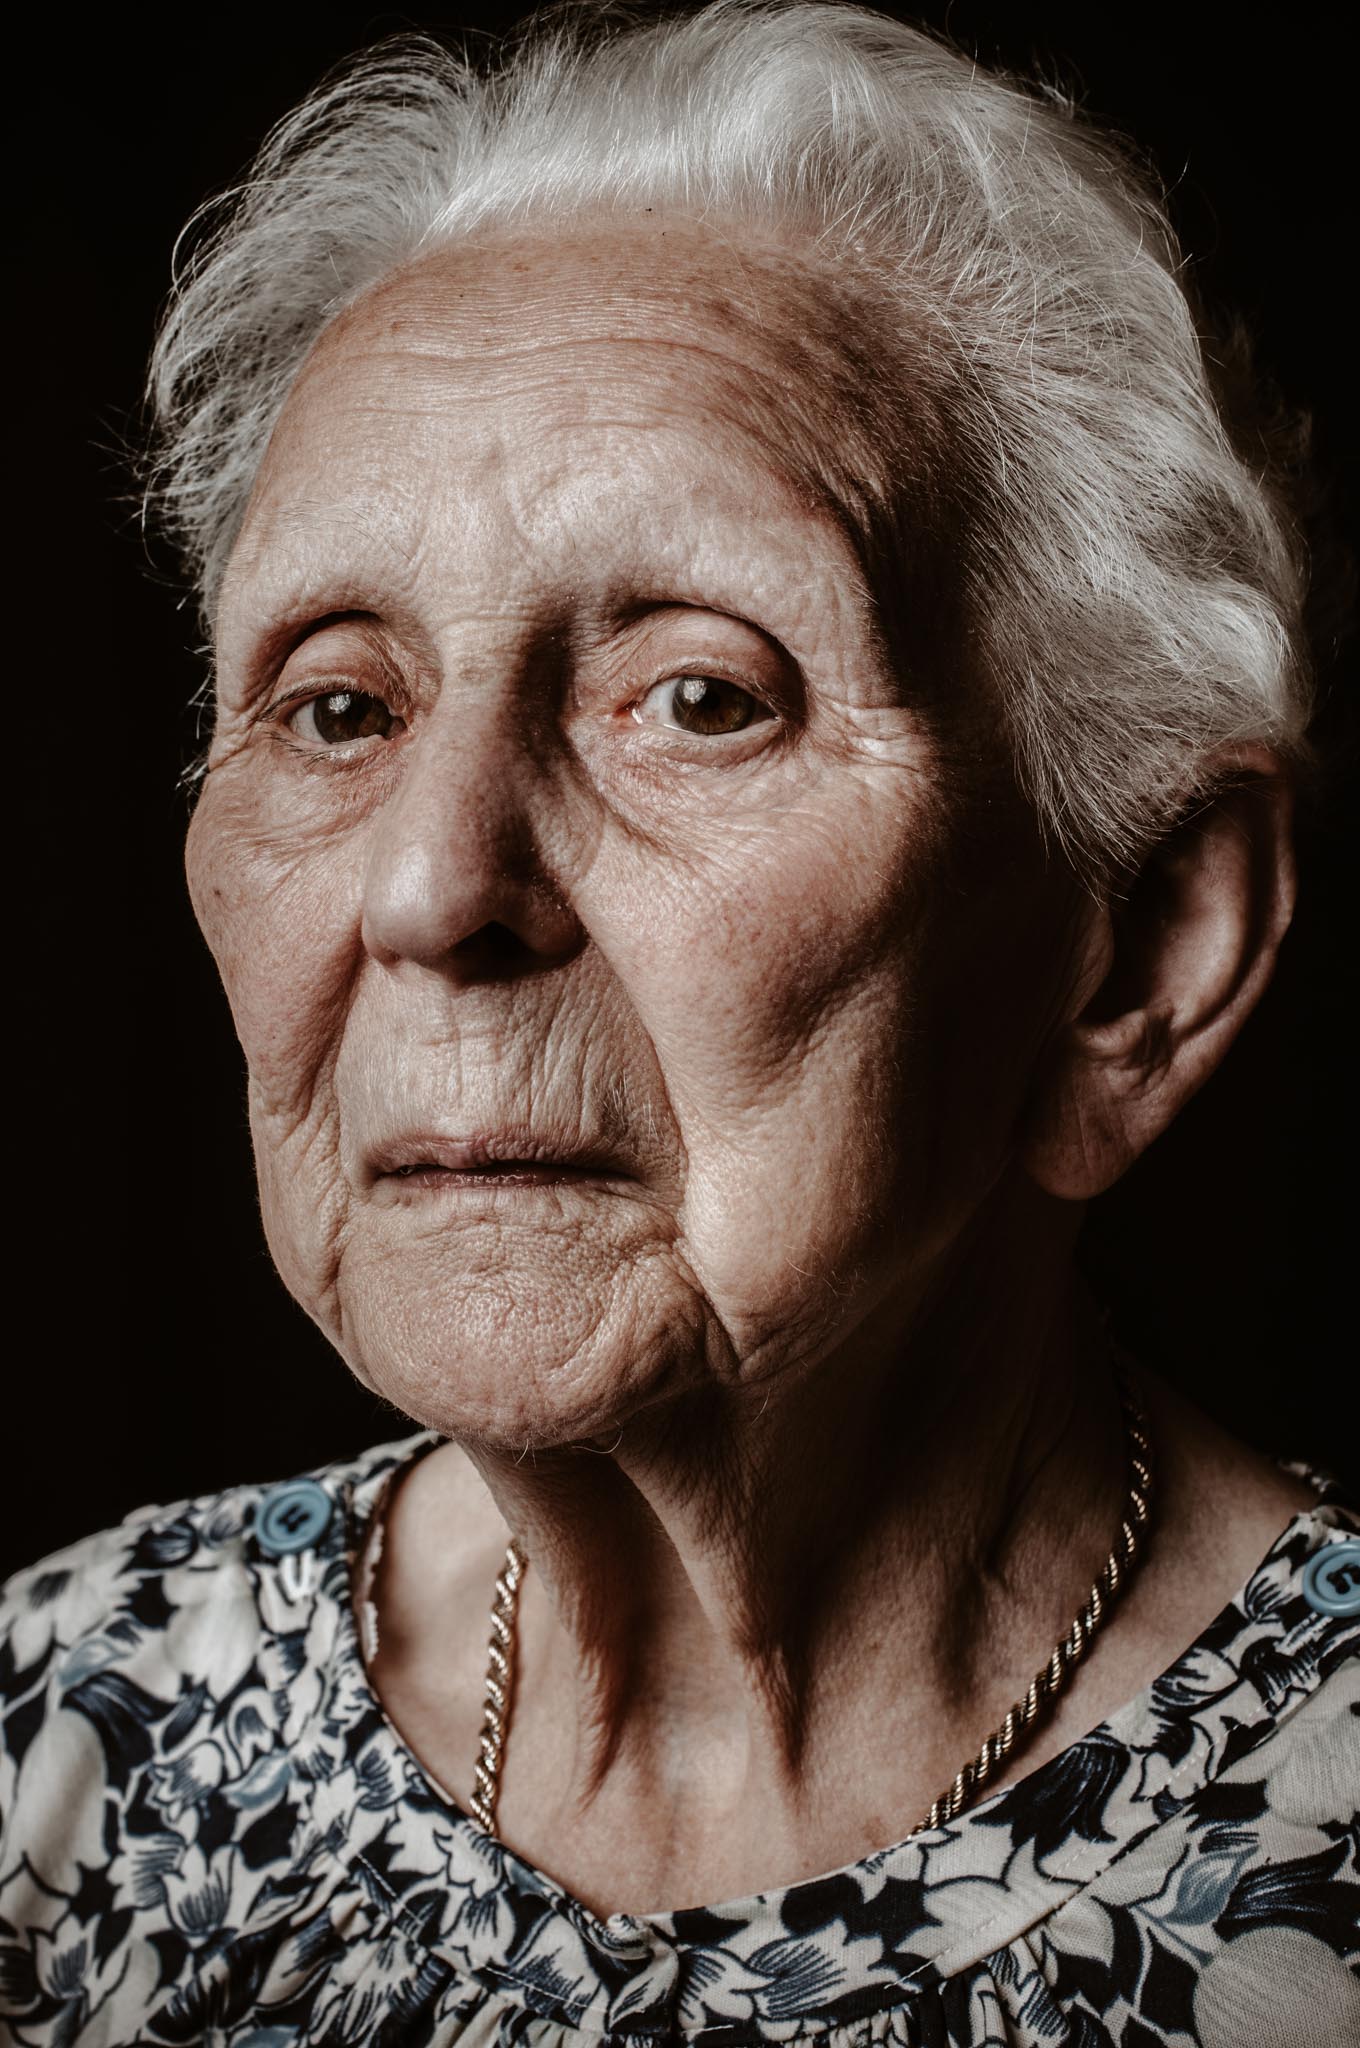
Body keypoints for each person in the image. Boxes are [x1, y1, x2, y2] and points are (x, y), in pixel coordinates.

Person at [2, 4, 1356, 2043]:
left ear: (1136, 954)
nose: (431, 887)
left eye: (701, 695)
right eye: (340, 706)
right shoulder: (62, 1740)